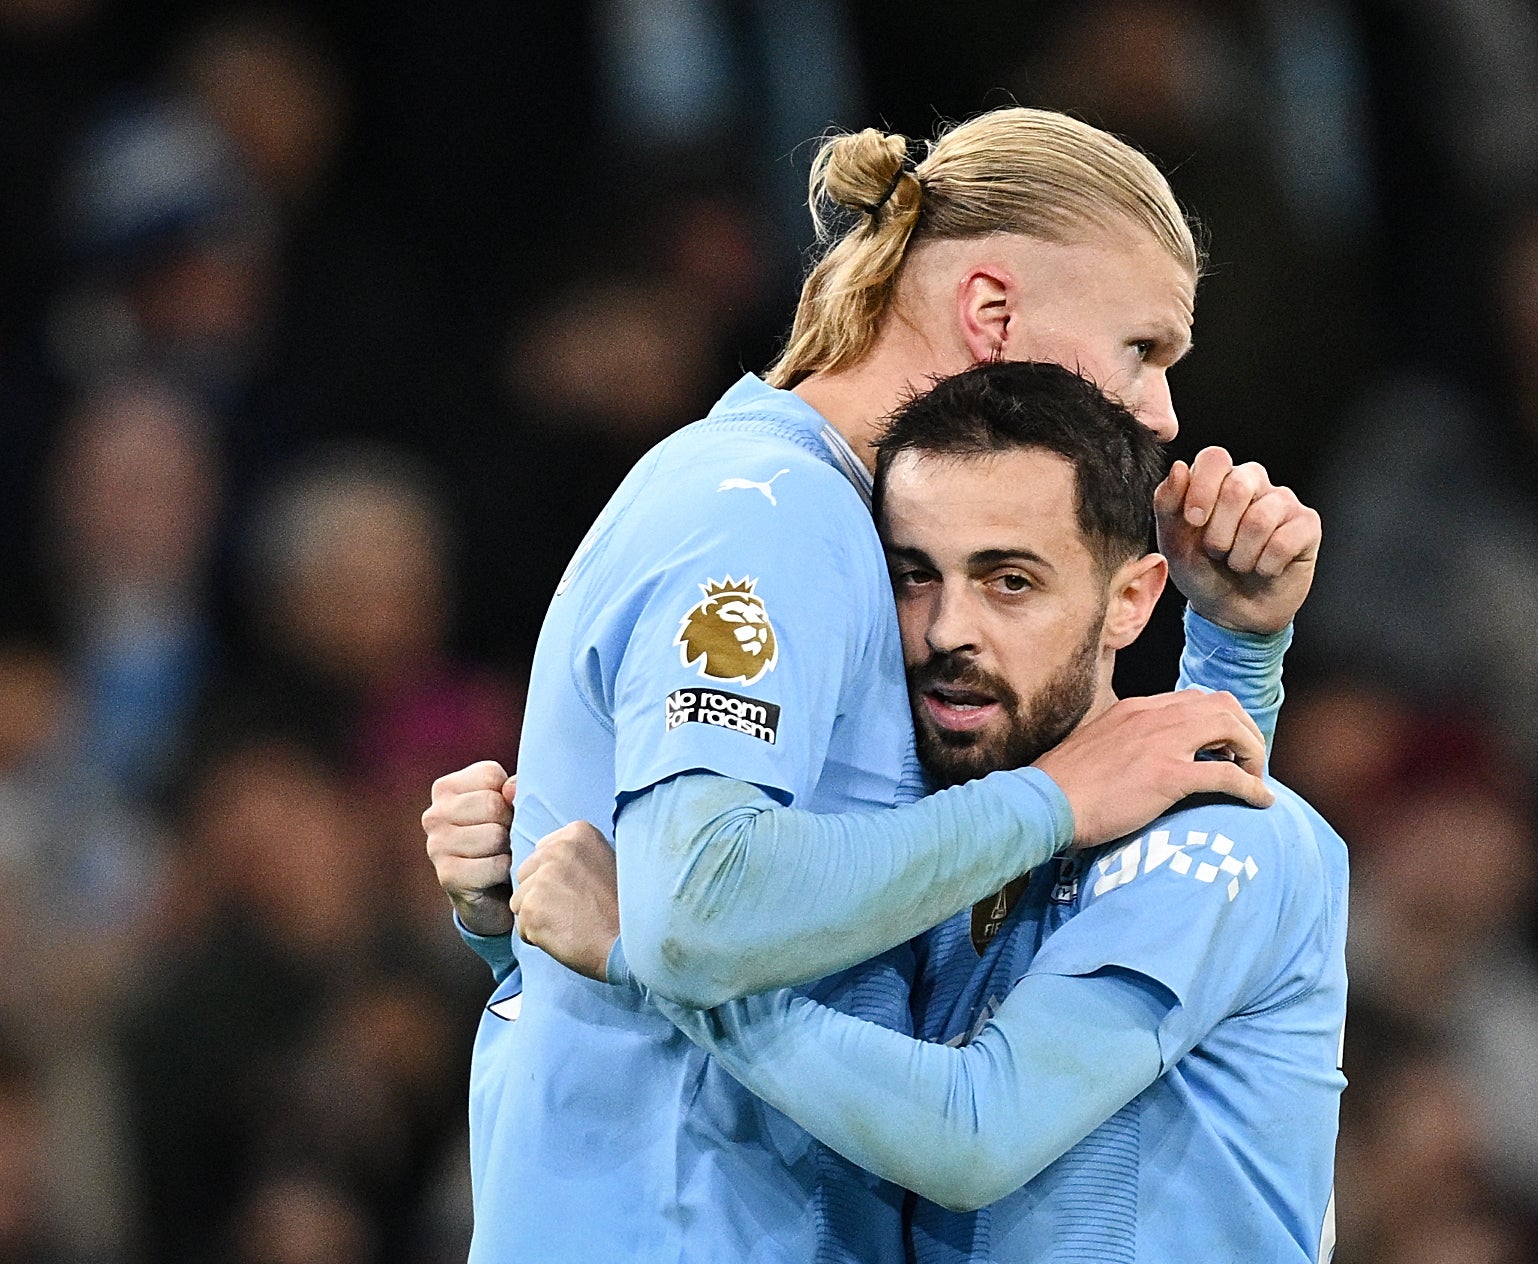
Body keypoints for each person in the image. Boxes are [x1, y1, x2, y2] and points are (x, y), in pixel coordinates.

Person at [424, 108, 1322, 1263]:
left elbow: (1126, 912)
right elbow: (699, 906)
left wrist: (1234, 650)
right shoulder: (767, 514)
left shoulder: (853, 535)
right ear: (993, 316)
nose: (1162, 414)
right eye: (1143, 350)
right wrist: (1053, 799)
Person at [510, 361, 1348, 1263]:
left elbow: (975, 1134)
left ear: (1132, 600)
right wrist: (504, 913)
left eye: (1010, 582)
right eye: (915, 577)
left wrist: (645, 956)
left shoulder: (1230, 838)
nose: (949, 629)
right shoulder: (946, 858)